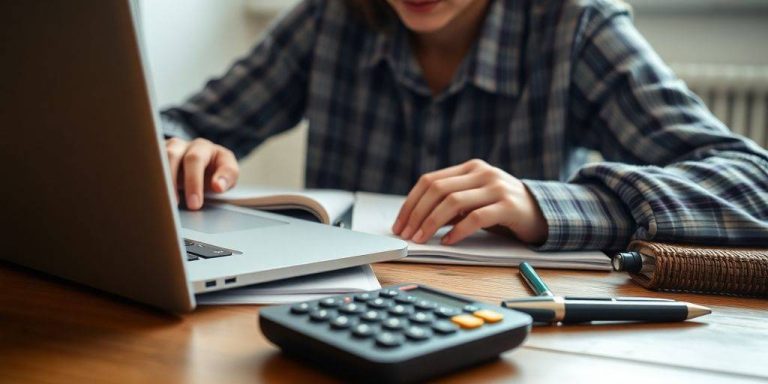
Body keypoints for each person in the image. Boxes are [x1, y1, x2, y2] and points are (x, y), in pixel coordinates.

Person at [161, 0, 768, 251]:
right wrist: (175, 149)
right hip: (330, 325)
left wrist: (549, 204)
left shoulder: (575, 27)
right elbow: (177, 122)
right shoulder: (332, 16)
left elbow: (752, 185)